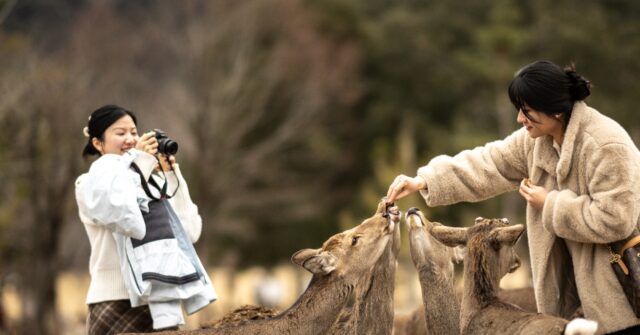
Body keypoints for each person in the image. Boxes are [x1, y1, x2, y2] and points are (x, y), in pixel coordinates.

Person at [386, 60, 640, 334]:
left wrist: (550, 204)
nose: (520, 118)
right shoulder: (535, 141)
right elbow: (489, 163)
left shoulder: (606, 145)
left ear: (555, 110)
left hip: (619, 297)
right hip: (573, 299)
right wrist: (424, 179)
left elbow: (616, 218)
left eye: (526, 111)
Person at [75, 105, 216, 334]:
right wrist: (139, 162)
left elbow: (190, 233)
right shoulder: (88, 183)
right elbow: (121, 213)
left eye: (133, 132)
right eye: (120, 133)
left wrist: (171, 174)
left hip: (160, 298)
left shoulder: (151, 183)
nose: (130, 139)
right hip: (115, 300)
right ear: (97, 143)